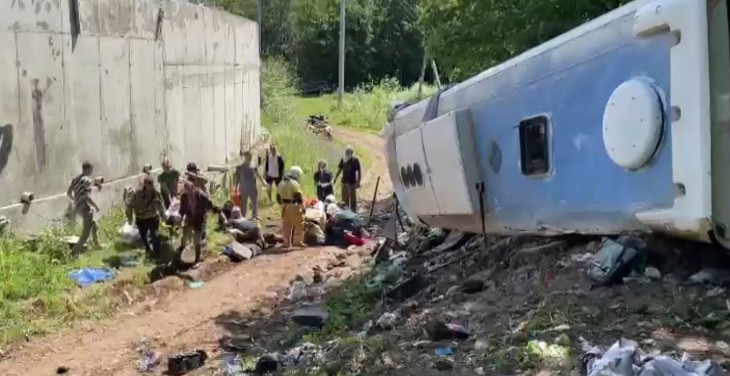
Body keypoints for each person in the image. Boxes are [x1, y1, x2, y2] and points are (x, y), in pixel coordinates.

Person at [125, 175, 166, 258]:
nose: (151, 185)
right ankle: (148, 249)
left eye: (152, 183)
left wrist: (163, 215)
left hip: (153, 218)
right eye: (149, 184)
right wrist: (129, 217)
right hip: (141, 218)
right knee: (143, 236)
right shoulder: (137, 193)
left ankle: (157, 254)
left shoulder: (156, 193)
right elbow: (130, 205)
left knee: (154, 236)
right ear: (145, 184)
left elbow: (161, 204)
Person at [179, 180, 218, 266]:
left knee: (197, 240)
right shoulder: (184, 197)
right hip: (190, 217)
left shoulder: (201, 196)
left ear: (193, 188)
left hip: (199, 219)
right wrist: (181, 220)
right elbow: (182, 210)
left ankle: (197, 261)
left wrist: (218, 212)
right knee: (185, 234)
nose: (187, 193)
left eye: (189, 190)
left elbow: (210, 205)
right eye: (186, 190)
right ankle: (181, 249)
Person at [67, 161, 100, 252]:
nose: (92, 171)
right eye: (91, 169)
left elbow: (69, 192)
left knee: (94, 224)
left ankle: (96, 243)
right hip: (85, 206)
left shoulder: (75, 179)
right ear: (88, 169)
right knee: (85, 233)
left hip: (78, 206)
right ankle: (75, 252)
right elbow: (87, 196)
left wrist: (75, 200)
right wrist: (95, 206)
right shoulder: (87, 180)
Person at [277, 166, 306, 249]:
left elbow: (278, 198)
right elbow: (298, 197)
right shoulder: (294, 184)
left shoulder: (281, 183)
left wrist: (282, 206)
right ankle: (297, 241)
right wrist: (303, 208)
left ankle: (286, 243)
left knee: (286, 225)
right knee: (300, 223)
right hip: (293, 206)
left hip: (284, 207)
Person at [236, 151, 266, 219]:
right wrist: (236, 186)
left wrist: (263, 182)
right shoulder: (241, 166)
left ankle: (254, 216)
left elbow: (258, 174)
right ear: (246, 157)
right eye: (249, 156)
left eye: (250, 156)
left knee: (254, 202)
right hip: (245, 188)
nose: (250, 158)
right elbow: (237, 177)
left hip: (250, 187)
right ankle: (243, 217)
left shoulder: (252, 165)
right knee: (244, 203)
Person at [334, 146, 362, 212]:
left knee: (353, 199)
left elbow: (359, 171)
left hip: (351, 182)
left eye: (349, 152)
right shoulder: (343, 159)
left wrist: (358, 181)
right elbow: (340, 169)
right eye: (346, 152)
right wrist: (335, 178)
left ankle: (353, 212)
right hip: (344, 181)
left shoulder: (355, 160)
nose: (347, 153)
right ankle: (346, 212)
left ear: (352, 153)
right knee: (344, 199)